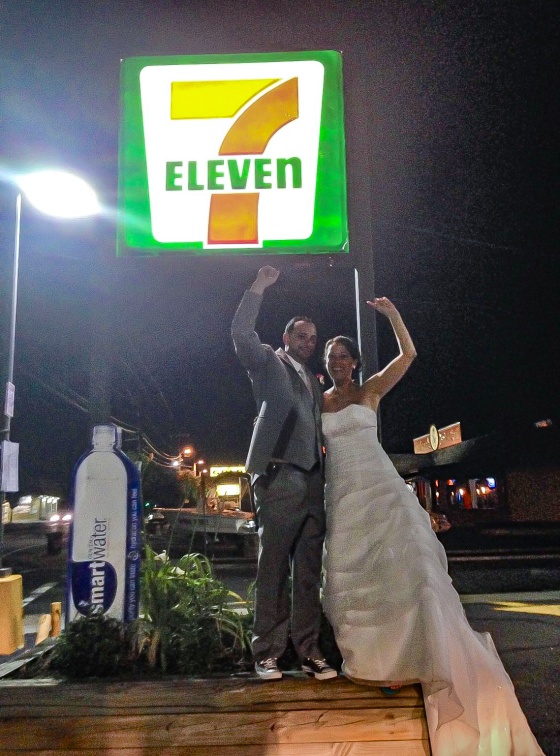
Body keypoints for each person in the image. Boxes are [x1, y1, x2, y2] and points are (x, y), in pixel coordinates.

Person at [321, 297, 543, 755]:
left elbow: (409, 355)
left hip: (380, 484)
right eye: (331, 357)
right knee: (352, 576)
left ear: (355, 362)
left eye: (343, 355)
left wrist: (392, 315)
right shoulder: (318, 401)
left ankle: (415, 657)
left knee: (409, 569)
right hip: (342, 493)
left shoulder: (371, 390)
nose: (337, 362)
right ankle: (371, 660)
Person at [232, 265, 337, 682]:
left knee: (308, 572)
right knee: (273, 568)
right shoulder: (268, 363)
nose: (308, 343)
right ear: (285, 338)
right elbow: (241, 334)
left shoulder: (313, 380)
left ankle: (308, 651)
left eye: (313, 339)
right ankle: (267, 653)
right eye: (301, 336)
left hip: (313, 482)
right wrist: (258, 285)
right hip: (279, 476)